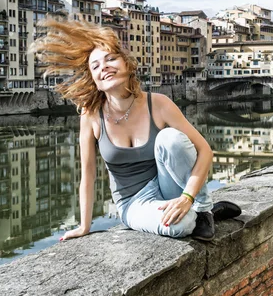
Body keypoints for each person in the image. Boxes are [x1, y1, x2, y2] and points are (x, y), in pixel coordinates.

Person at [31, 19, 241, 242]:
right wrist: (84, 226)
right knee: (181, 225)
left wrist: (188, 197)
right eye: (96, 66)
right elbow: (88, 175)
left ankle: (204, 209)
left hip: (168, 186)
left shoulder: (159, 104)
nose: (104, 67)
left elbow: (205, 150)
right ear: (93, 79)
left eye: (111, 58)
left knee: (170, 138)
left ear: (127, 63)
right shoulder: (91, 114)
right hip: (133, 202)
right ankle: (198, 215)